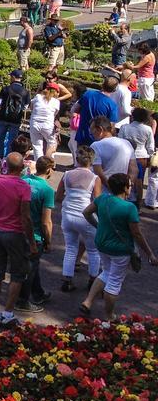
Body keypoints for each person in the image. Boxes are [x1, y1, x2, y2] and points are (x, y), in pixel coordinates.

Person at [81, 172, 158, 320]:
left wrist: (98, 226)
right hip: (120, 249)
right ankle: (109, 315)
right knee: (114, 282)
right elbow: (137, 234)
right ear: (124, 188)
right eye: (129, 185)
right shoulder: (129, 208)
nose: (131, 187)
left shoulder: (102, 198)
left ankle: (88, 301)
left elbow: (86, 213)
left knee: (106, 272)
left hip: (102, 244)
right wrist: (150, 254)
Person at [0, 152, 35, 327]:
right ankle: (8, 312)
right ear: (22, 168)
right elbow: (25, 217)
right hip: (14, 234)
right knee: (17, 275)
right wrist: (32, 242)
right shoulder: (23, 187)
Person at [56, 146, 102, 293]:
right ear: (92, 161)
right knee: (93, 250)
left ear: (77, 159)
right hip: (85, 217)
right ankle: (93, 280)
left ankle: (67, 280)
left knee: (70, 248)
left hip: (68, 215)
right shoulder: (95, 178)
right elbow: (98, 201)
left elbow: (58, 197)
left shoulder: (67, 174)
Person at [16, 156, 55, 312]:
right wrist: (49, 241)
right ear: (48, 169)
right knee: (30, 267)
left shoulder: (23, 180)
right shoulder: (47, 190)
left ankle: (38, 293)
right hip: (35, 235)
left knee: (33, 264)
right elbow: (47, 222)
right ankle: (23, 300)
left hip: (17, 230)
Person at [69, 82, 120, 160]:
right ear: (115, 89)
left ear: (102, 85)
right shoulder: (112, 105)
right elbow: (111, 126)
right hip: (99, 138)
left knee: (81, 161)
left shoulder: (88, 94)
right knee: (96, 163)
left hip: (82, 135)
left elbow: (75, 109)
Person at [119, 106, 155, 203]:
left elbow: (120, 141)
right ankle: (137, 203)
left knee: (125, 179)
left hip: (125, 155)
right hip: (141, 156)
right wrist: (150, 156)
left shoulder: (124, 127)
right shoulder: (148, 129)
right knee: (139, 181)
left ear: (133, 116)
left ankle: (123, 199)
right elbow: (150, 147)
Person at [89, 116, 135, 195]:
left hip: (103, 192)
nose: (92, 134)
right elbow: (134, 169)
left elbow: (98, 172)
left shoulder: (96, 145)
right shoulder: (126, 143)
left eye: (92, 131)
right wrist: (126, 187)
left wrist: (111, 187)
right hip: (122, 193)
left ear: (100, 129)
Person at [0, 69, 30, 163]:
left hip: (3, 117)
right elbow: (26, 106)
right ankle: (7, 158)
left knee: (0, 137)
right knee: (12, 139)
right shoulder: (25, 92)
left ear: (13, 77)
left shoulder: (6, 89)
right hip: (16, 119)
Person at [28, 82, 60, 159]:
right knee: (52, 143)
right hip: (48, 125)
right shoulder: (56, 102)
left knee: (37, 146)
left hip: (35, 124)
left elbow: (31, 107)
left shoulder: (38, 97)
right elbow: (55, 114)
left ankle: (39, 164)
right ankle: (49, 162)